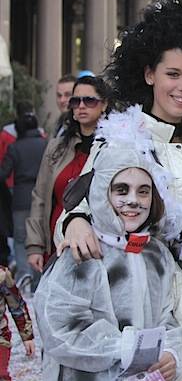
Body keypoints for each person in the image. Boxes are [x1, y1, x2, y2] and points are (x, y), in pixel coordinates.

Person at [56, 0, 182, 380]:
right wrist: (75, 221)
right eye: (173, 74)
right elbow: (82, 198)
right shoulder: (121, 137)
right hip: (151, 303)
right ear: (149, 74)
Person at [34, 140, 182, 381]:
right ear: (102, 191)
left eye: (143, 191)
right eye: (121, 190)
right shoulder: (82, 253)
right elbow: (59, 329)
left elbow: (167, 317)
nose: (133, 201)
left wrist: (170, 353)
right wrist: (125, 348)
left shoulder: (157, 255)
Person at [25, 76, 109, 275]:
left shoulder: (114, 148)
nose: (81, 106)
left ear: (104, 104)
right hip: (56, 245)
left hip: (98, 248)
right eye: (75, 101)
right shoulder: (57, 147)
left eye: (89, 100)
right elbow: (40, 196)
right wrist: (35, 246)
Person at [0, 109, 46, 291]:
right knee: (39, 239)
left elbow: (4, 173)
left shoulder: (15, 147)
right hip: (42, 197)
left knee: (20, 239)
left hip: (20, 197)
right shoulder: (46, 145)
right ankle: (38, 279)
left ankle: (23, 273)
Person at [0, 265, 34, 381]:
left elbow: (17, 306)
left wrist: (27, 336)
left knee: (1, 374)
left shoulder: (2, 275)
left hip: (0, 338)